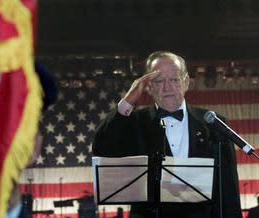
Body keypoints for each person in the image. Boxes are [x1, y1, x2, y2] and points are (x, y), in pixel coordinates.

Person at [93, 51, 242, 218]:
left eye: (174, 80)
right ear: (148, 87)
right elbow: (101, 147)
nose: (167, 87)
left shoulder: (213, 123)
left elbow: (229, 189)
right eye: (159, 81)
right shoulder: (135, 123)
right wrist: (128, 101)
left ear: (186, 82)